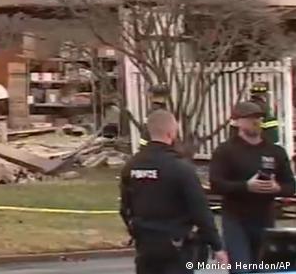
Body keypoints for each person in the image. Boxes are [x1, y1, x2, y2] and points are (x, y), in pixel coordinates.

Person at [121, 109, 228, 273]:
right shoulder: (180, 168)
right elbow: (200, 210)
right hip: (175, 246)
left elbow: (125, 207)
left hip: (145, 245)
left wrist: (135, 230)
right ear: (171, 133)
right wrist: (217, 245)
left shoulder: (132, 166)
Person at [210, 101, 295, 269]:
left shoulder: (274, 151)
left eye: (258, 117)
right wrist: (246, 186)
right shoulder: (225, 151)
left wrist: (277, 188)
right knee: (241, 267)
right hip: (236, 218)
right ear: (238, 121)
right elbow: (216, 184)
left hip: (265, 217)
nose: (255, 121)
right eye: (250, 118)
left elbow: (290, 186)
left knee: (265, 268)